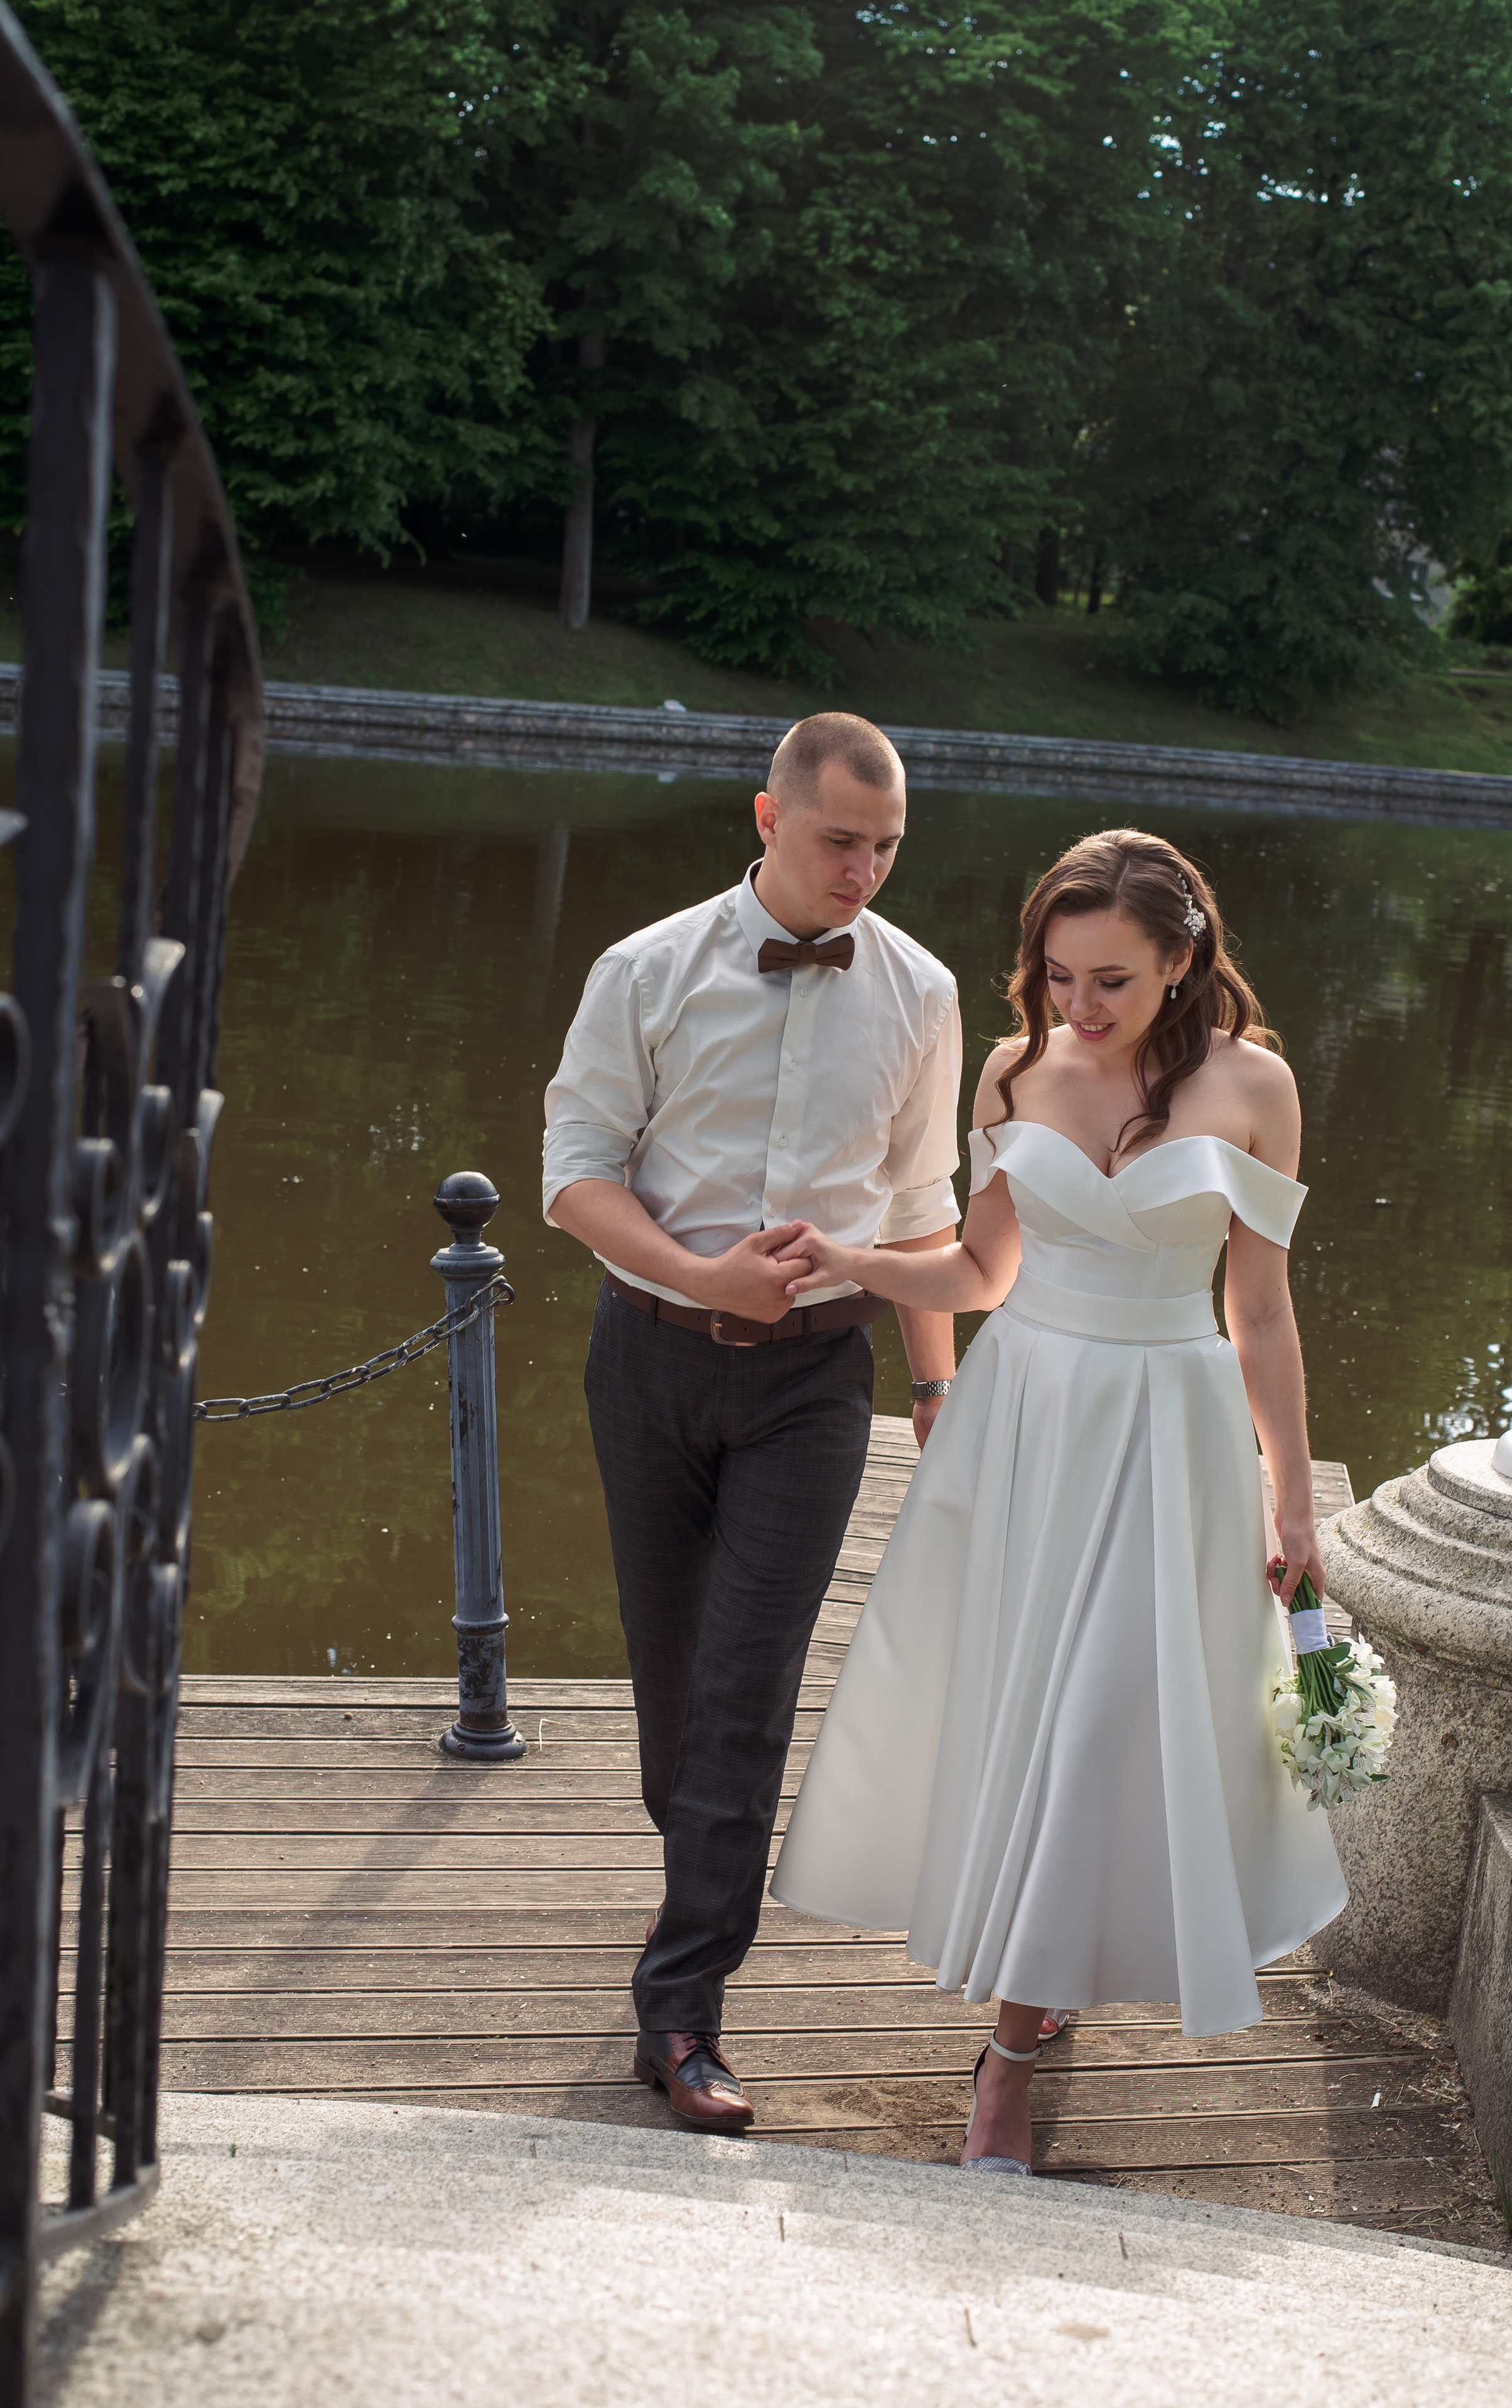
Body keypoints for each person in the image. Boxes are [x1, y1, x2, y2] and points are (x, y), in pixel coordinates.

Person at [769, 827, 1347, 2174]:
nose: (1074, 1008)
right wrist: (848, 1261)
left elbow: (1256, 1311)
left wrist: (1293, 1501)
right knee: (1031, 1710)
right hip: (1024, 1417)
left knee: (1104, 1724)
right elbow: (978, 1271)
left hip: (1169, 1425)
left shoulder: (1251, 1084)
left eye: (1109, 983)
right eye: (1055, 973)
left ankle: (1006, 2063)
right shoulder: (1010, 1068)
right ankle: (1028, 2005)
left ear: (1181, 962)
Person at [543, 712, 963, 2135]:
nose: (865, 872)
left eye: (888, 847)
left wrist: (934, 1387)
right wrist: (698, 1272)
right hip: (646, 1362)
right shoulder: (643, 970)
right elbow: (575, 1178)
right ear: (769, 817)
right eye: (843, 840)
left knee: (745, 1689)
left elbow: (920, 1213)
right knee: (676, 1696)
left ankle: (681, 2014)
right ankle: (696, 1889)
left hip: (812, 1385)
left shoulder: (919, 991)